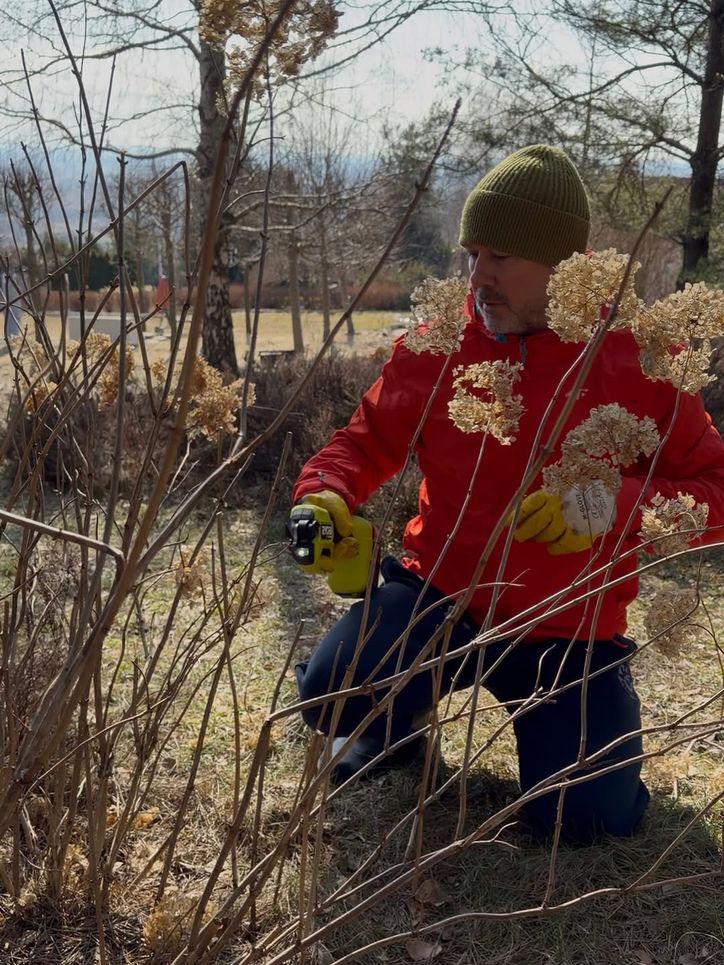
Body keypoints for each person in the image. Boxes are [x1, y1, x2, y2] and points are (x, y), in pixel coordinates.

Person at [290, 144, 724, 842]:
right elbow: (361, 443)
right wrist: (324, 494)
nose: (478, 276)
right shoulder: (438, 343)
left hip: (568, 626)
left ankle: (597, 762)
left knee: (585, 821)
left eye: (501, 258)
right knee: (333, 692)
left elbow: (717, 491)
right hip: (440, 595)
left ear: (563, 269)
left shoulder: (637, 358)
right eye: (473, 253)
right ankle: (397, 734)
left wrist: (612, 502)